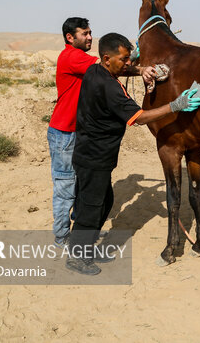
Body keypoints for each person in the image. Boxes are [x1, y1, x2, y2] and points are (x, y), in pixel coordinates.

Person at [65, 32, 200, 275]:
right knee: (91, 207)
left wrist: (141, 70)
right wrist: (175, 105)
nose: (128, 62)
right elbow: (139, 117)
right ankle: (77, 256)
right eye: (125, 58)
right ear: (107, 58)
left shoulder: (97, 70)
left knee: (104, 202)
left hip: (97, 155)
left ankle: (85, 248)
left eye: (130, 57)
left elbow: (121, 70)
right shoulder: (108, 87)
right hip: (93, 157)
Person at [47, 18, 156, 248]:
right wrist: (138, 66)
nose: (89, 37)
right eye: (84, 34)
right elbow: (108, 64)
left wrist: (136, 66)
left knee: (81, 188)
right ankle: (63, 237)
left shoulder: (89, 64)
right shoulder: (72, 57)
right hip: (65, 131)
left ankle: (79, 234)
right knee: (66, 187)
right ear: (70, 37)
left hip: (81, 130)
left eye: (90, 33)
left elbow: (113, 66)